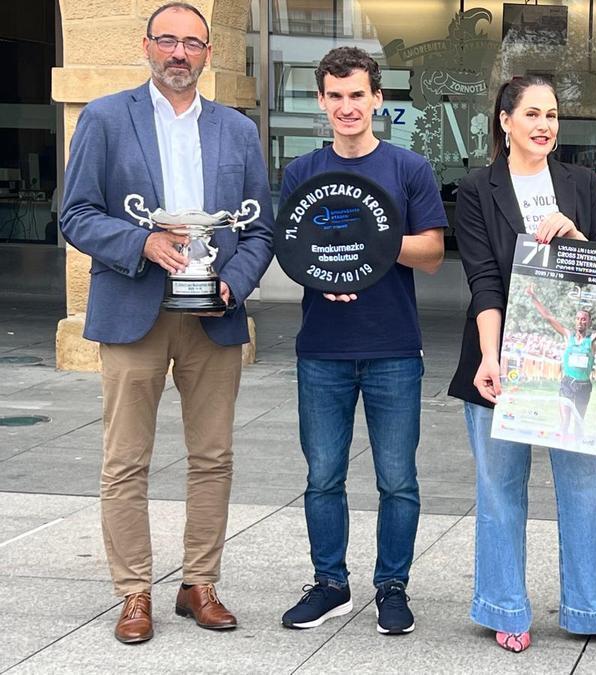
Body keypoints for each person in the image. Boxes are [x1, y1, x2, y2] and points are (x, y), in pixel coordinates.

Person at [58, 1, 273, 644]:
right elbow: (76, 214)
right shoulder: (104, 118)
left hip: (214, 315)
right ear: (146, 46)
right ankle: (132, 594)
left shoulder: (236, 130)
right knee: (125, 460)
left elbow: (259, 227)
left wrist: (233, 284)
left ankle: (199, 583)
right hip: (134, 309)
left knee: (213, 457)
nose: (180, 53)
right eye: (168, 41)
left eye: (192, 43)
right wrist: (141, 244)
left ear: (208, 54)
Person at [448, 75, 596, 654]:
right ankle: (504, 604)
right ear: (504, 120)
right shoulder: (478, 189)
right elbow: (483, 280)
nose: (544, 125)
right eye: (531, 113)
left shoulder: (580, 183)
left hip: (575, 360)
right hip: (499, 354)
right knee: (500, 487)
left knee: (590, 486)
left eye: (552, 114)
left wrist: (577, 236)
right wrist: (490, 358)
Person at [278, 47, 446, 635]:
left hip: (394, 346)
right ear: (321, 102)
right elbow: (293, 251)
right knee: (323, 475)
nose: (347, 107)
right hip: (322, 347)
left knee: (397, 478)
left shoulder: (408, 169)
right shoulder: (301, 172)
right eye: (335, 96)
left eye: (358, 95)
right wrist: (321, 276)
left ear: (378, 99)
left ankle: (391, 587)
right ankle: (330, 585)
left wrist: (373, 240)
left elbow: (431, 253)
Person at [524, 286, 596, 440]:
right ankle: (563, 448)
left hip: (584, 386)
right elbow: (548, 317)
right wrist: (533, 297)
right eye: (578, 318)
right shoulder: (567, 335)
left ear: (588, 322)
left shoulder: (592, 339)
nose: (580, 321)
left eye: (584, 319)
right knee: (565, 422)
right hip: (567, 384)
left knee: (579, 422)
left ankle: (577, 448)